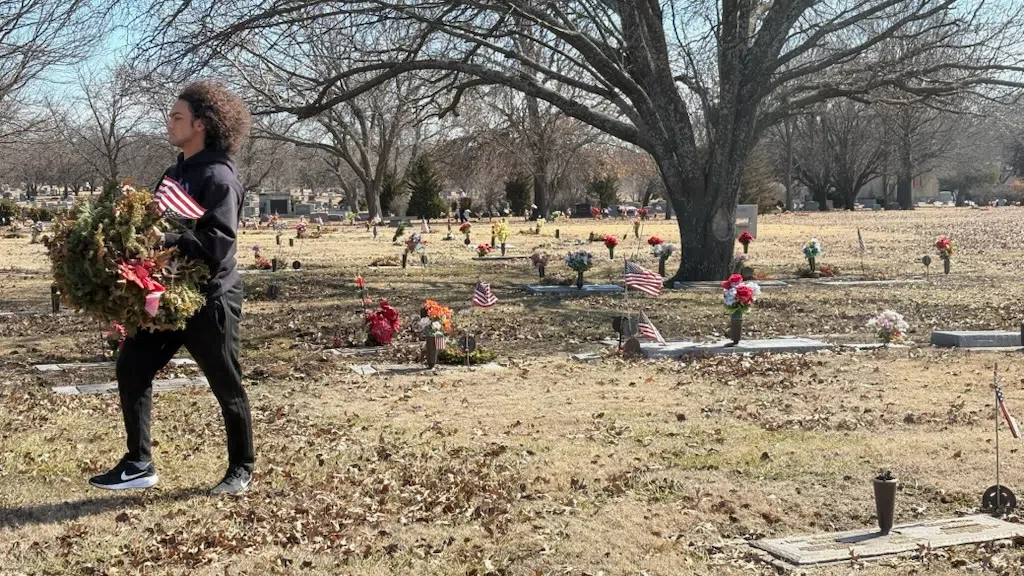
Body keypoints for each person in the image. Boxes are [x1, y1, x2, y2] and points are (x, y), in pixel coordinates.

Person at [88, 82, 255, 495]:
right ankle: (138, 463)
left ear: (201, 123)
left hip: (210, 299)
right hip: (165, 300)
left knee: (225, 383)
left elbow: (216, 245)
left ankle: (241, 467)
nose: (170, 122)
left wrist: (168, 242)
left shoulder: (218, 177)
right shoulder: (175, 172)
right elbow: (154, 224)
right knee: (132, 366)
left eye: (177, 116)